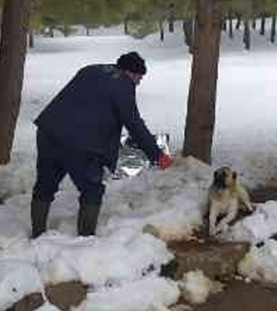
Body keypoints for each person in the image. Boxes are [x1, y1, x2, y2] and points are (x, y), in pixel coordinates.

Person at [31, 51, 173, 238]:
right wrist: (157, 155)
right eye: (139, 77)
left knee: (45, 184)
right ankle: (87, 239)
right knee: (92, 189)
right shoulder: (123, 85)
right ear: (131, 72)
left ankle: (37, 233)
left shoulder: (90, 70)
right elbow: (134, 124)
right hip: (81, 144)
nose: (138, 82)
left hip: (49, 131)